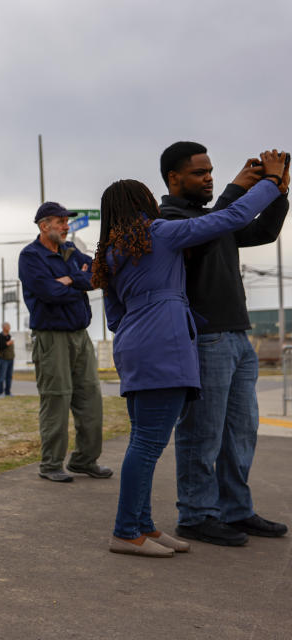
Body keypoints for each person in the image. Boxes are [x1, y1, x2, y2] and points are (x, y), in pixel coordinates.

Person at [91, 159, 284, 557]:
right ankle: (126, 531)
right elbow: (232, 216)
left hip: (134, 344)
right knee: (147, 444)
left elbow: (114, 317)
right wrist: (272, 183)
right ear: (145, 203)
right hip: (164, 343)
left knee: (143, 440)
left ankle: (144, 526)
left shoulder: (111, 252)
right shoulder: (159, 233)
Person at [160, 142, 291, 545]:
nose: (210, 178)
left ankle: (235, 510)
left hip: (237, 334)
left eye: (212, 170)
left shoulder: (213, 217)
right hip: (206, 338)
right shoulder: (171, 218)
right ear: (174, 178)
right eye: (200, 172)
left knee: (240, 430)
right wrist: (246, 186)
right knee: (203, 431)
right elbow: (223, 219)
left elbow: (263, 231)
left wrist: (279, 191)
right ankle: (196, 514)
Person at [18, 202, 111, 483]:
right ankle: (51, 465)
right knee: (57, 398)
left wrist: (71, 279)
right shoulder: (30, 256)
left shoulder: (71, 252)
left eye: (66, 222)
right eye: (60, 222)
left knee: (90, 398)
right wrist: (75, 283)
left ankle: (85, 460)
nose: (66, 226)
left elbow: (96, 275)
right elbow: (48, 292)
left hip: (80, 335)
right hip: (51, 337)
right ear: (44, 226)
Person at [0, 322, 15, 397]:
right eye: (8, 326)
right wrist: (8, 343)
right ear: (4, 327)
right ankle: (0, 392)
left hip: (10, 359)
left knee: (9, 376)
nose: (9, 328)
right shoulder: (0, 336)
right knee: (2, 376)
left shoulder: (9, 336)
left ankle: (8, 392)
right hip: (3, 359)